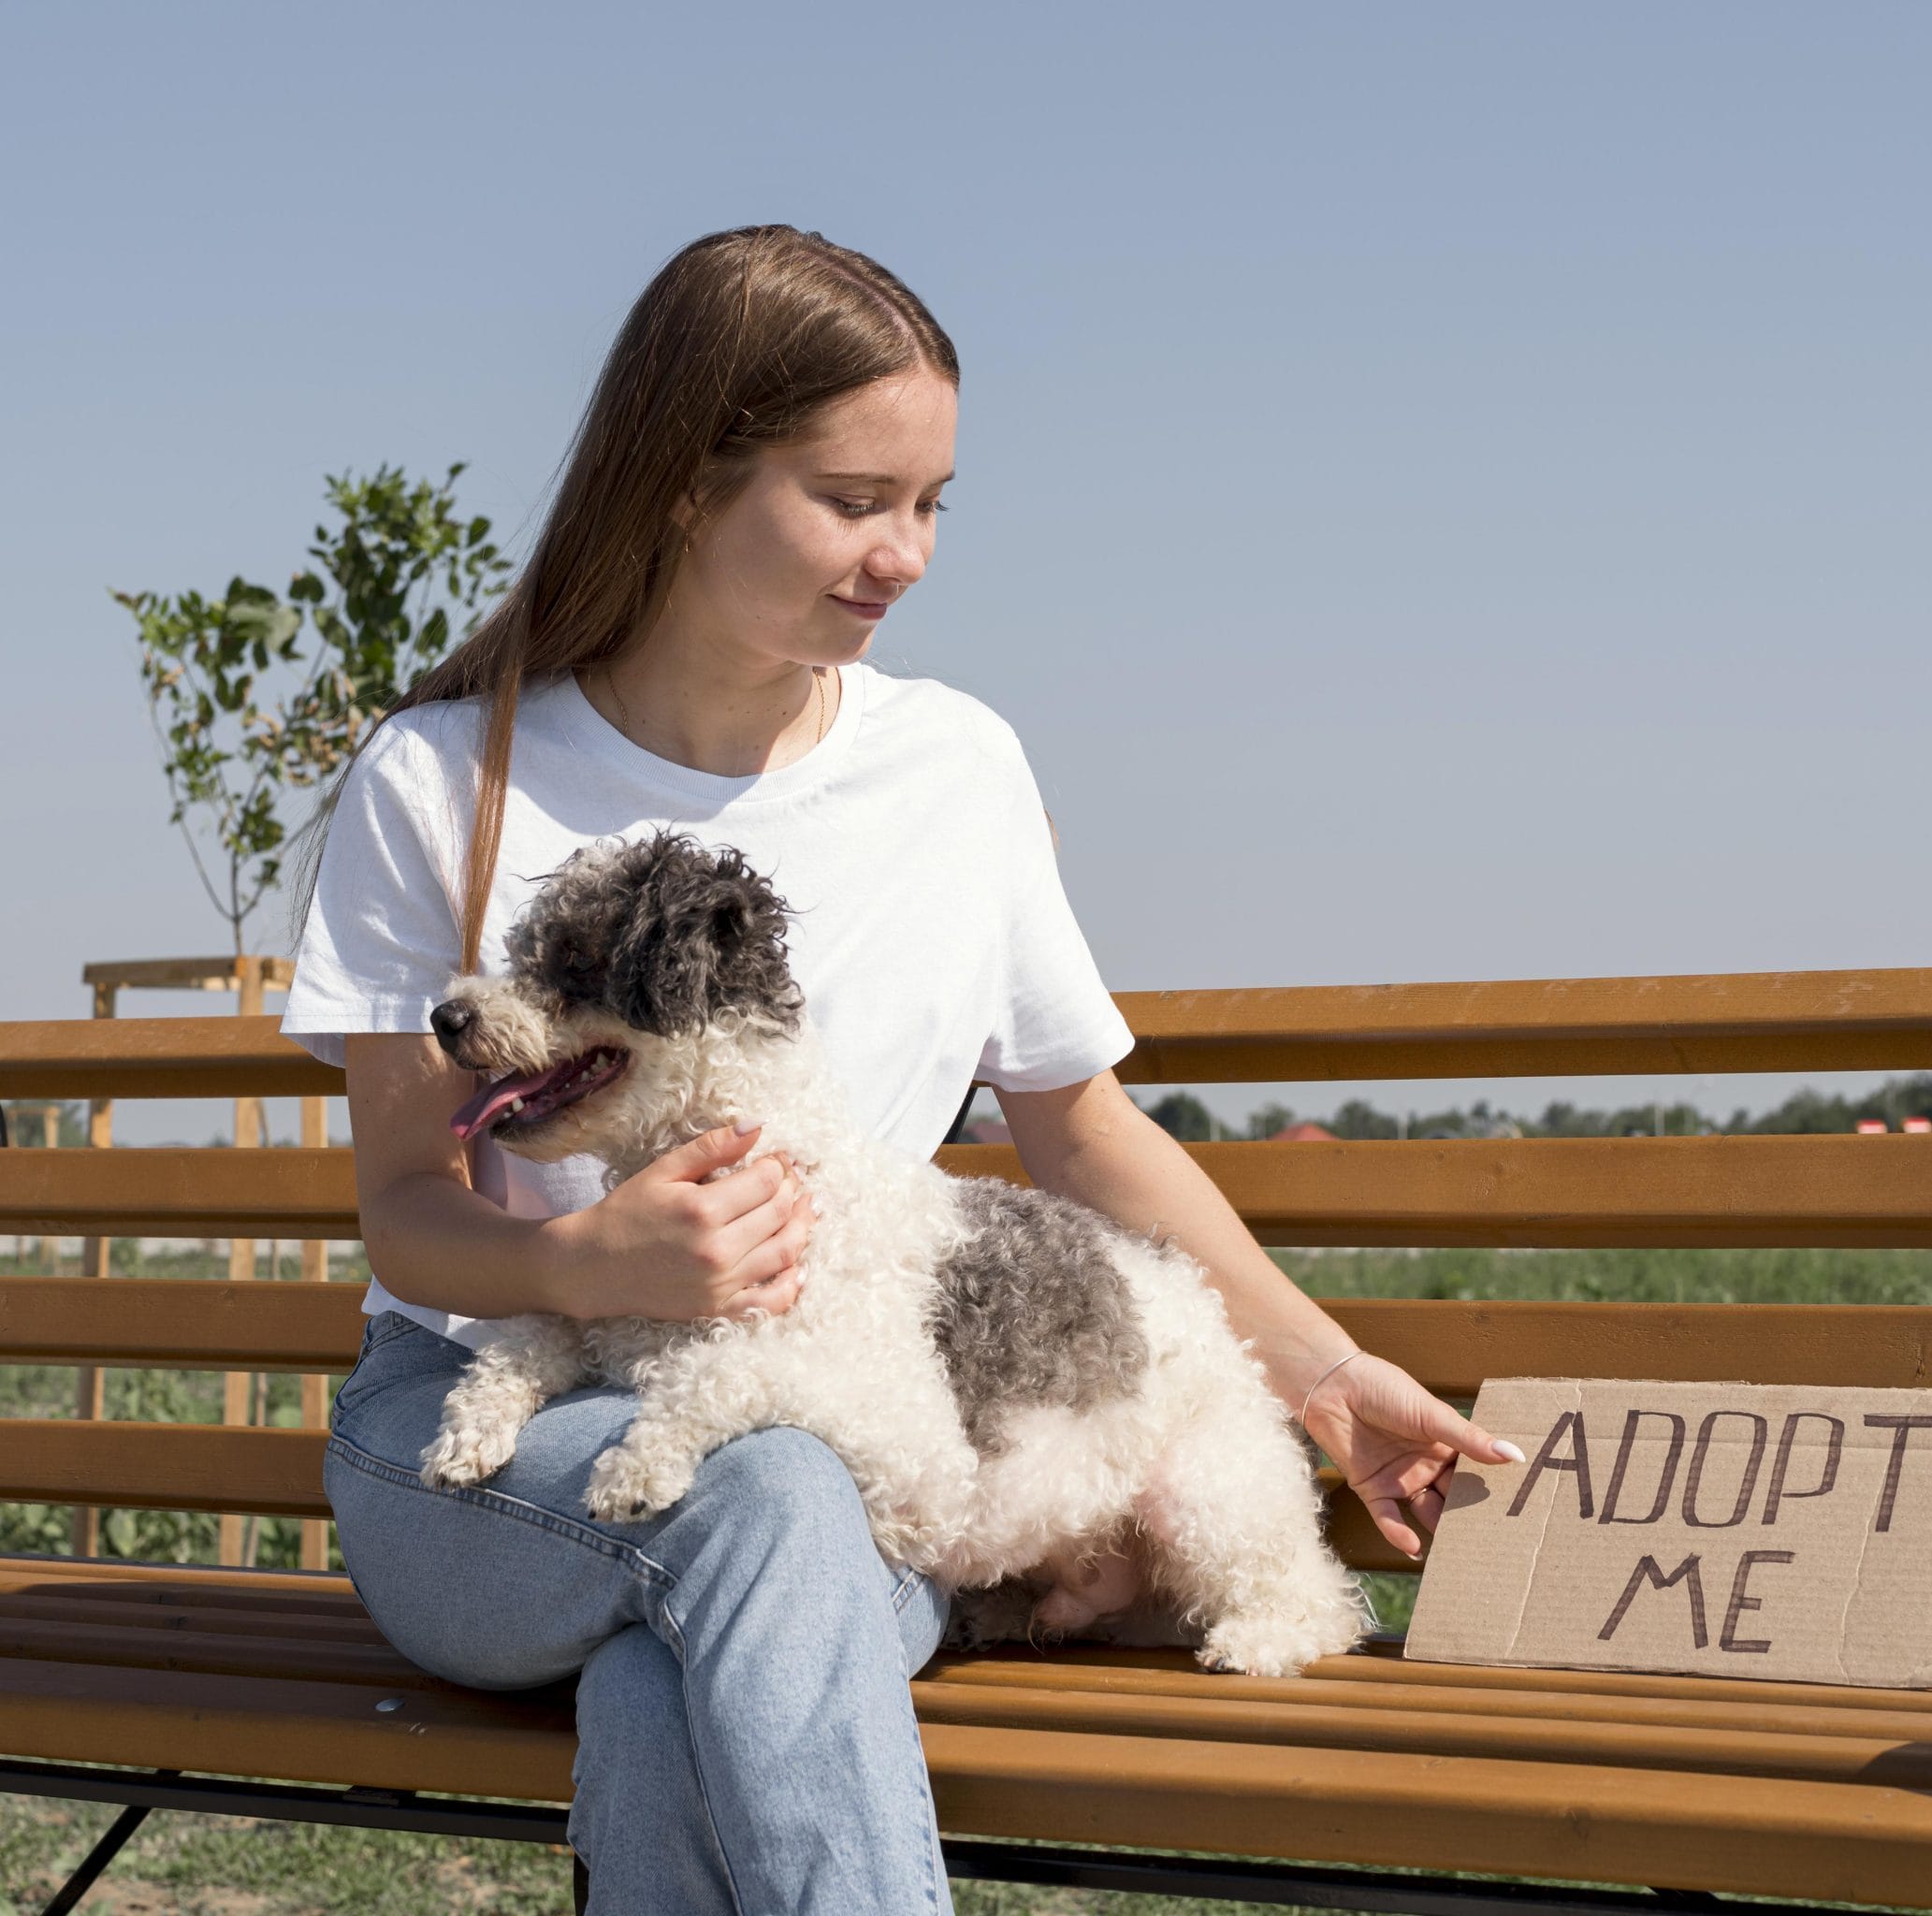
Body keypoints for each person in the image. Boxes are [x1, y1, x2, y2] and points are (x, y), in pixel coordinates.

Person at [280, 224, 1513, 1915]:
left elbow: (1083, 1135)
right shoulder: (444, 773)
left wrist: (1322, 1372)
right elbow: (412, 1216)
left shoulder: (957, 770)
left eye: (933, 505)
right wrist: (584, 1260)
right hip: (492, 1458)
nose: (908, 554)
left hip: (836, 1464)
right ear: (683, 484)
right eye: (857, 500)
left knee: (680, 1673)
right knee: (765, 1503)